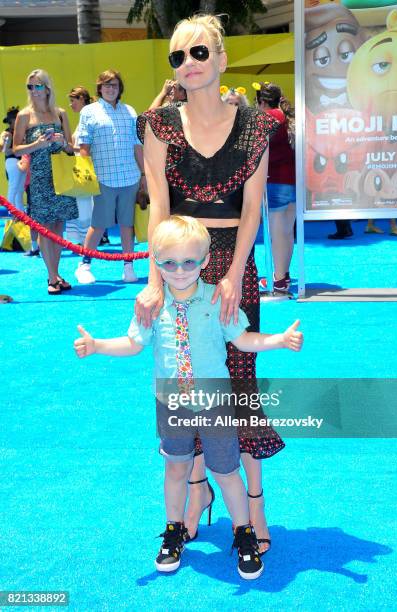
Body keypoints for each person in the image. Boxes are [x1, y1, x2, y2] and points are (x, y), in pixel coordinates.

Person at [74, 215, 303, 578]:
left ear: (206, 261)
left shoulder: (216, 299)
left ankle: (243, 533)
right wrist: (97, 345)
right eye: (168, 262)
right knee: (176, 468)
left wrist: (278, 340)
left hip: (214, 402)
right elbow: (133, 343)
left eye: (189, 262)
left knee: (226, 471)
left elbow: (243, 340)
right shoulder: (151, 306)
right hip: (171, 402)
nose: (179, 271)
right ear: (156, 262)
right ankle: (173, 530)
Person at [136, 14, 284, 555]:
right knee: (185, 375)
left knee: (236, 383)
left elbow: (252, 210)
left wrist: (236, 272)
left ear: (221, 58)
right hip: (180, 263)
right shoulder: (158, 124)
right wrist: (155, 281)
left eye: (199, 53)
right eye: (178, 57)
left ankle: (255, 505)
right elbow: (158, 207)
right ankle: (196, 491)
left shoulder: (257, 126)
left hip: (233, 264)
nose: (189, 64)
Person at [75, 70, 147, 284]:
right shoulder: (89, 111)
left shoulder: (130, 111)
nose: (110, 88)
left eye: (114, 85)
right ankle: (84, 265)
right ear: (99, 88)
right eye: (106, 85)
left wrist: (143, 174)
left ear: (120, 88)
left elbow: (137, 146)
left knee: (127, 224)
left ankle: (128, 267)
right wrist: (87, 175)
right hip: (102, 178)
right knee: (99, 224)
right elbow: (84, 147)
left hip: (130, 177)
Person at [13, 69, 78, 294]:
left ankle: (56, 273)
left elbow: (71, 148)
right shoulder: (24, 115)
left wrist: (61, 143)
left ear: (47, 87)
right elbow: (16, 148)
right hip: (39, 177)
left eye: (38, 85)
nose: (34, 90)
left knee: (58, 226)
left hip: (61, 176)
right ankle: (51, 277)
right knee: (43, 228)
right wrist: (37, 144)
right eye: (30, 87)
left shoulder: (60, 114)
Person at [256, 82, 296, 294]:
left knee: (277, 233)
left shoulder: (270, 117)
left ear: (261, 102)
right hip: (292, 180)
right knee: (286, 232)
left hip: (275, 180)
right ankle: (283, 275)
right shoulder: (287, 117)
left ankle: (279, 280)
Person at [65, 86, 94, 246]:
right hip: (79, 168)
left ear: (82, 99)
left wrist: (69, 147)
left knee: (84, 204)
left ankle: (86, 239)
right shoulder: (83, 118)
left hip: (84, 167)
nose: (71, 104)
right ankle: (83, 239)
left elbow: (88, 147)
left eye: (73, 100)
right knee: (82, 203)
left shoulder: (88, 118)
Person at [1, 106, 26, 213]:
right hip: (12, 161)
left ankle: (21, 216)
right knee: (13, 188)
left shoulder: (21, 132)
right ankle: (9, 215)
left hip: (22, 161)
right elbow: (6, 151)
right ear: (12, 120)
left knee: (19, 191)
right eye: (18, 118)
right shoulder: (8, 133)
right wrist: (18, 149)